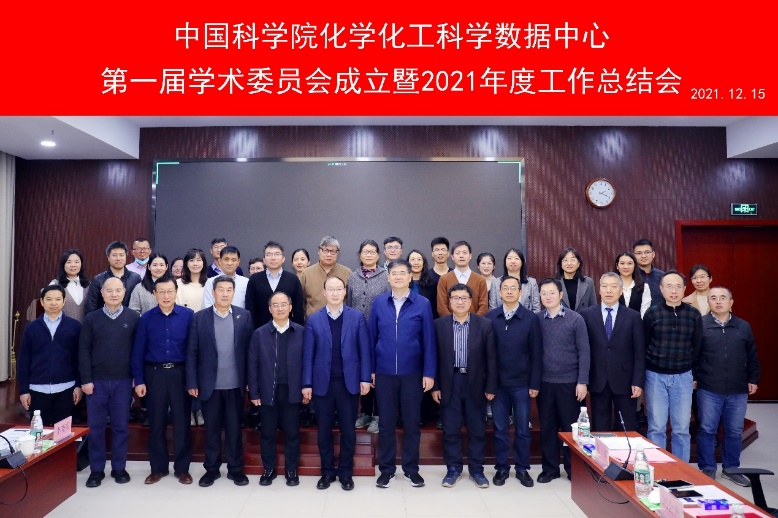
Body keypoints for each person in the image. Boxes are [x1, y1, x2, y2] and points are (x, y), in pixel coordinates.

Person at [370, 259, 436, 489]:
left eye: (402, 273)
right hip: (384, 373)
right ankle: (386, 470)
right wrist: (371, 370)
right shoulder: (379, 303)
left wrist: (429, 372)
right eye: (394, 273)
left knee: (412, 423)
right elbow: (371, 338)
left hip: (413, 373)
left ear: (410, 277)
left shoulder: (422, 304)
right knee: (386, 424)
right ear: (388, 277)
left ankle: (411, 469)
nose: (398, 277)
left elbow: (429, 340)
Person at [303, 277, 372, 491]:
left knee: (348, 431)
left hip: (348, 384)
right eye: (330, 289)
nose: (334, 293)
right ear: (324, 292)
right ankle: (326, 472)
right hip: (322, 384)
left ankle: (345, 473)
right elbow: (308, 356)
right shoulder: (313, 319)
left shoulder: (357, 317)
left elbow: (364, 351)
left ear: (345, 292)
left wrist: (365, 378)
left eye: (338, 289)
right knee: (323, 431)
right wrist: (306, 383)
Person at [186, 275, 254, 487]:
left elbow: (250, 352)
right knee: (212, 430)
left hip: (235, 384)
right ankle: (212, 469)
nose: (225, 294)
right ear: (213, 292)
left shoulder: (244, 316)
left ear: (234, 293)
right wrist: (192, 382)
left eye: (229, 290)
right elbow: (192, 352)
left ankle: (236, 469)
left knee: (234, 429)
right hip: (210, 385)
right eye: (221, 290)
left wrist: (250, 381)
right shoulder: (199, 318)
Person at [432, 284, 497, 489]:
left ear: (471, 301)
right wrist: (435, 386)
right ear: (449, 301)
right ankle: (453, 469)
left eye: (464, 298)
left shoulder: (484, 324)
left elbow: (492, 359)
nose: (459, 302)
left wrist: (491, 387)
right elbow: (433, 358)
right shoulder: (438, 325)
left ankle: (477, 470)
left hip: (476, 382)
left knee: (477, 428)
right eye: (455, 298)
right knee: (450, 428)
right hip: (449, 382)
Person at [131, 276, 195, 485]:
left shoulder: (188, 316)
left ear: (176, 292)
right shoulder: (146, 318)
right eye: (161, 292)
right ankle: (158, 468)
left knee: (182, 423)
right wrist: (139, 380)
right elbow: (138, 352)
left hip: (180, 374)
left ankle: (182, 469)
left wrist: (193, 380)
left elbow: (194, 351)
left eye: (170, 291)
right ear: (154, 294)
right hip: (154, 375)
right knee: (156, 423)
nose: (166, 296)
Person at [696, 287, 761, 485]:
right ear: (708, 302)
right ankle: (707, 467)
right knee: (707, 429)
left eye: (723, 298)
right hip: (708, 387)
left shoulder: (743, 326)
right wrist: (694, 377)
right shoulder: (700, 325)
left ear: (731, 302)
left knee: (734, 430)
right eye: (713, 298)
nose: (718, 302)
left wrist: (753, 379)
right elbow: (693, 355)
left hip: (738, 388)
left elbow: (752, 355)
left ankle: (731, 468)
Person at [79, 277, 140, 487]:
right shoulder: (91, 319)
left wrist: (136, 376)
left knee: (120, 427)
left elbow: (137, 350)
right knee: (95, 428)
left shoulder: (133, 317)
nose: (114, 294)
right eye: (109, 290)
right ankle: (96, 470)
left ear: (124, 292)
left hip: (123, 381)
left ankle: (119, 468)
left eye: (118, 290)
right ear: (102, 293)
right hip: (96, 383)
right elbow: (83, 351)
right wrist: (86, 380)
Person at [486, 275, 542, 488]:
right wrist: (489, 385)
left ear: (520, 292)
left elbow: (536, 353)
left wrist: (534, 383)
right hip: (498, 385)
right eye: (505, 288)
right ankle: (501, 467)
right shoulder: (490, 318)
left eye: (513, 288)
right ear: (499, 292)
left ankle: (522, 468)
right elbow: (486, 355)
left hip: (522, 384)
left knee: (522, 429)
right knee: (500, 428)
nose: (509, 291)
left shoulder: (531, 318)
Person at [643, 270, 702, 462]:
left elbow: (697, 347)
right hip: (655, 376)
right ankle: (658, 467)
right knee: (656, 426)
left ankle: (681, 469)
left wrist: (693, 374)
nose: (674, 291)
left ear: (684, 289)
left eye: (678, 286)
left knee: (681, 428)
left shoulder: (693, 314)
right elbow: (644, 344)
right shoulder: (652, 313)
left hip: (683, 376)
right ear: (661, 289)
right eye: (669, 286)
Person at [249, 291, 305, 487]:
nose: (280, 308)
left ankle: (291, 470)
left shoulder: (301, 332)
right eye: (275, 305)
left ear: (290, 307)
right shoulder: (259, 334)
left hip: (292, 391)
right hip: (267, 391)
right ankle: (269, 469)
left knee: (292, 433)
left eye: (283, 304)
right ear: (269, 309)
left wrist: (306, 387)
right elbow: (252, 364)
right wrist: (254, 392)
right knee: (267, 433)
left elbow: (308, 363)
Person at [536, 278, 590, 483]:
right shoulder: (537, 320)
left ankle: (573, 468)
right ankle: (550, 469)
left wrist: (582, 381)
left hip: (570, 383)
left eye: (552, 293)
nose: (548, 296)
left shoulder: (576, 319)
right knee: (547, 428)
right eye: (544, 293)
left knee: (571, 429)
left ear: (560, 295)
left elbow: (584, 352)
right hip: (545, 383)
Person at [579, 273, 645, 432]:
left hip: (626, 380)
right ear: (599, 290)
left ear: (620, 291)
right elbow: (583, 350)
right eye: (605, 286)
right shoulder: (586, 315)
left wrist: (638, 381)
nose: (609, 290)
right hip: (598, 379)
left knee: (626, 427)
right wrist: (584, 380)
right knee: (600, 428)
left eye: (614, 286)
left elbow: (639, 352)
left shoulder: (633, 316)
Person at [18, 285, 82, 426]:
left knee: (63, 433)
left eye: (58, 299)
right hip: (37, 389)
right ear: (42, 301)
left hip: (66, 388)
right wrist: (23, 391)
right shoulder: (31, 328)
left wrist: (78, 385)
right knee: (40, 433)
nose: (53, 303)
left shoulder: (75, 326)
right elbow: (23, 361)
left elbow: (79, 359)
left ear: (64, 302)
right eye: (49, 299)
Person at [346, 239, 389, 431]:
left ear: (378, 255)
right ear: (359, 255)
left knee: (378, 373)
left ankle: (379, 415)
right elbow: (348, 303)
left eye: (372, 252)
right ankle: (365, 413)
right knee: (362, 370)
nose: (369, 255)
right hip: (357, 332)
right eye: (365, 252)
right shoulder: (352, 277)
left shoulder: (386, 276)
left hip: (380, 332)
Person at [245, 241, 305, 329]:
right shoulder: (254, 279)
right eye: (269, 254)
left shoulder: (293, 279)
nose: (273, 258)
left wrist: (298, 331)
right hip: (261, 331)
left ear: (283, 258)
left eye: (277, 254)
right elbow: (250, 309)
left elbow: (298, 310)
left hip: (287, 331)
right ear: (264, 260)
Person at [299, 236, 352, 317]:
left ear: (337, 253)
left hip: (341, 320)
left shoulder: (347, 273)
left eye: (333, 251)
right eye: (325, 251)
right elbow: (300, 301)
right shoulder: (306, 274)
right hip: (313, 321)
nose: (329, 254)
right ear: (319, 251)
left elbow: (351, 301)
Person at [84, 241, 142, 314]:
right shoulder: (98, 279)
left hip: (130, 319)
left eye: (121, 255)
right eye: (114, 255)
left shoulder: (135, 278)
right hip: (104, 319)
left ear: (126, 256)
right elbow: (91, 307)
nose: (118, 258)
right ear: (108, 257)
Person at [437, 241, 489, 317]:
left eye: (464, 253)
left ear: (470, 256)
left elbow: (484, 306)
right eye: (458, 253)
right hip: (450, 323)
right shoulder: (444, 280)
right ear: (452, 257)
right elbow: (441, 306)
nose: (461, 256)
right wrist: (452, 322)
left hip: (475, 323)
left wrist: (474, 321)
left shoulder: (480, 280)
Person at [488, 248, 540, 312]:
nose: (513, 261)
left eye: (516, 258)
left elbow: (536, 308)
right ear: (505, 262)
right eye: (509, 258)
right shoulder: (496, 283)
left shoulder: (531, 283)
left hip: (527, 318)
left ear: (522, 262)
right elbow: (492, 308)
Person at [51, 249, 90, 321]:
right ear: (63, 265)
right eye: (69, 262)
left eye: (77, 262)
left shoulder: (88, 285)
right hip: (63, 327)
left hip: (85, 327)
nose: (73, 265)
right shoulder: (55, 284)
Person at [556, 247, 596, 312]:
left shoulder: (588, 282)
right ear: (561, 264)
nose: (569, 263)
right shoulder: (554, 283)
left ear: (578, 264)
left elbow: (593, 306)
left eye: (572, 260)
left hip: (583, 318)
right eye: (565, 260)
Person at [614, 251, 651, 317]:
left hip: (637, 323)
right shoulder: (610, 287)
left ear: (634, 266)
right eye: (622, 263)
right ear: (617, 266)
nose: (626, 267)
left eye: (629, 263)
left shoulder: (644, 287)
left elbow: (644, 312)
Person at [632, 238, 665, 306]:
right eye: (639, 253)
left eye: (647, 252)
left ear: (653, 254)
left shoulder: (663, 276)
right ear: (633, 256)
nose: (643, 256)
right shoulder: (629, 276)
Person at [427, 237, 453, 319]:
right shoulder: (426, 276)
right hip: (431, 319)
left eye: (443, 250)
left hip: (452, 320)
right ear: (432, 253)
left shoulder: (455, 275)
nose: (440, 253)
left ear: (448, 253)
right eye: (437, 250)